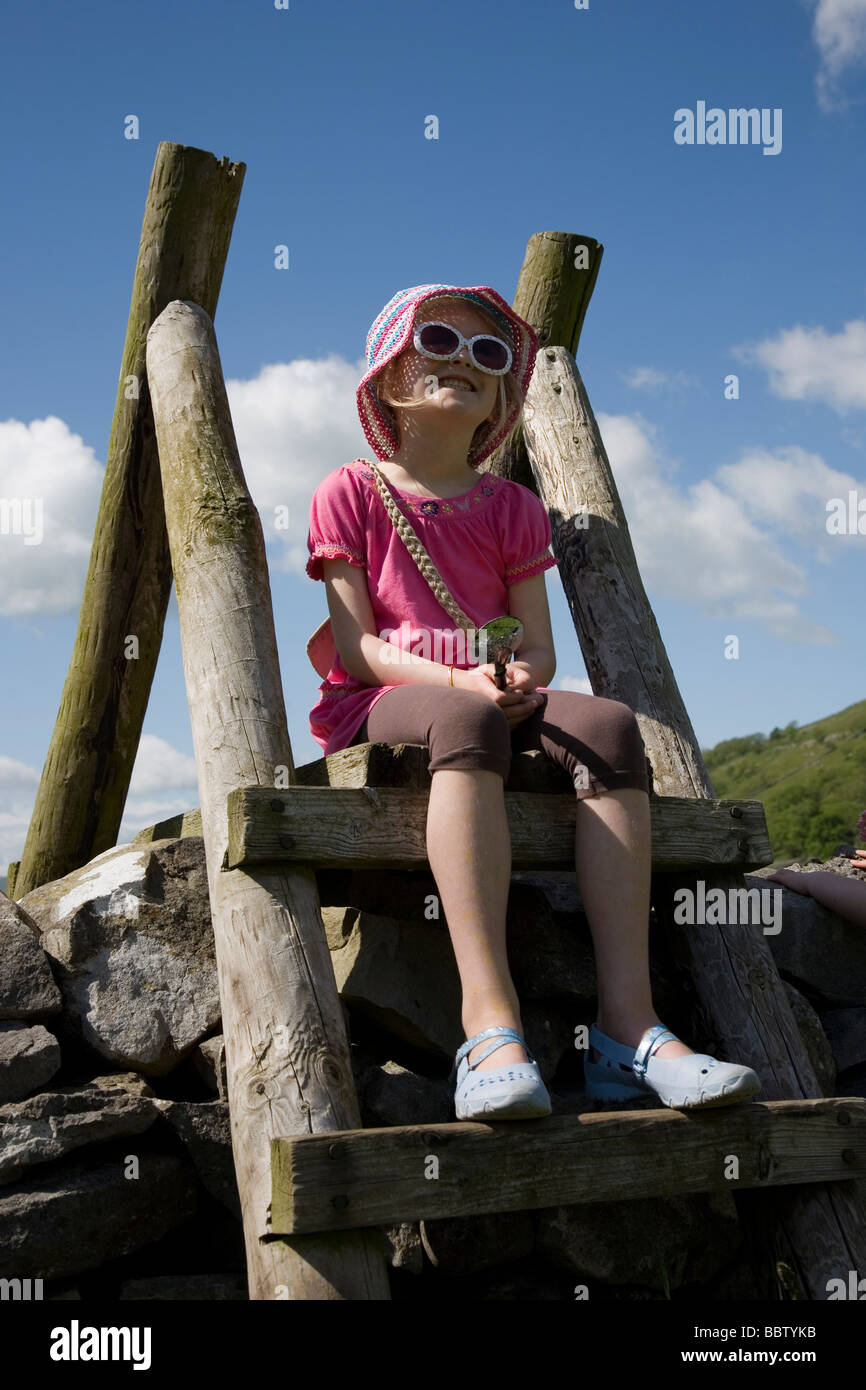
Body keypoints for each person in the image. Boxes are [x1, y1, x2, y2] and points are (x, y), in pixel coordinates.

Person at [305, 282, 761, 1120]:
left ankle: (629, 1028)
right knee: (467, 717)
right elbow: (361, 649)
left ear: (500, 400)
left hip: (488, 695)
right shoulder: (351, 490)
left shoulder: (512, 507)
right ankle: (490, 1027)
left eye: (489, 354)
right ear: (386, 373)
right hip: (384, 699)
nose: (466, 362)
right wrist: (461, 683)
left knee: (609, 726)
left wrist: (522, 678)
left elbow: (541, 646)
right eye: (438, 339)